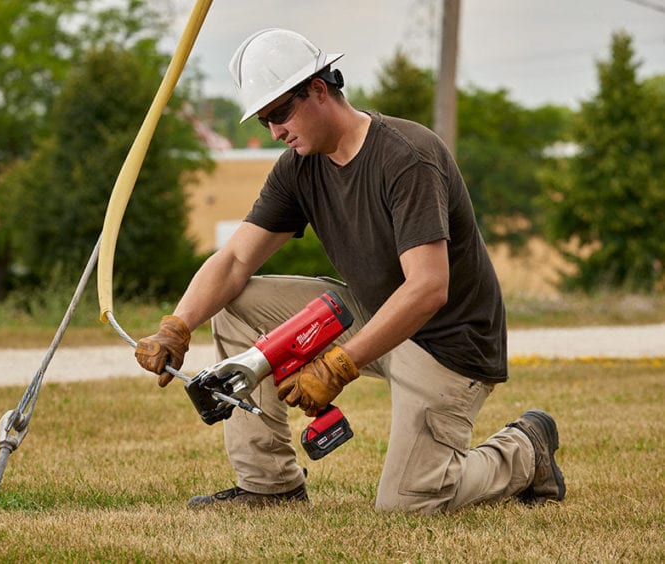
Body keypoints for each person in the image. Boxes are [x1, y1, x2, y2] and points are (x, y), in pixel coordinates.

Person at [135, 28, 565, 514]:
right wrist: (177, 325)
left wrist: (339, 364)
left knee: (409, 504)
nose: (274, 131)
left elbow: (428, 288)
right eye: (264, 119)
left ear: (318, 90)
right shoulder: (299, 166)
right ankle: (268, 486)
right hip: (372, 310)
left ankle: (525, 450)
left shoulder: (407, 155)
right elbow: (234, 260)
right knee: (236, 305)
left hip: (448, 342)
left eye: (279, 113)